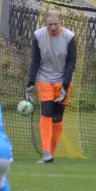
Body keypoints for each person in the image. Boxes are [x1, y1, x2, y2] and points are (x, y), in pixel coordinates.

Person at [25, 10, 77, 164]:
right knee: (47, 112)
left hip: (63, 79)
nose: (53, 27)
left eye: (56, 24)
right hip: (44, 78)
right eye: (50, 24)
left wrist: (65, 86)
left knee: (57, 117)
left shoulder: (69, 37)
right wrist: (30, 84)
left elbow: (71, 63)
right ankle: (46, 152)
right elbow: (35, 60)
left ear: (60, 22)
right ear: (45, 23)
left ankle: (51, 154)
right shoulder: (38, 35)